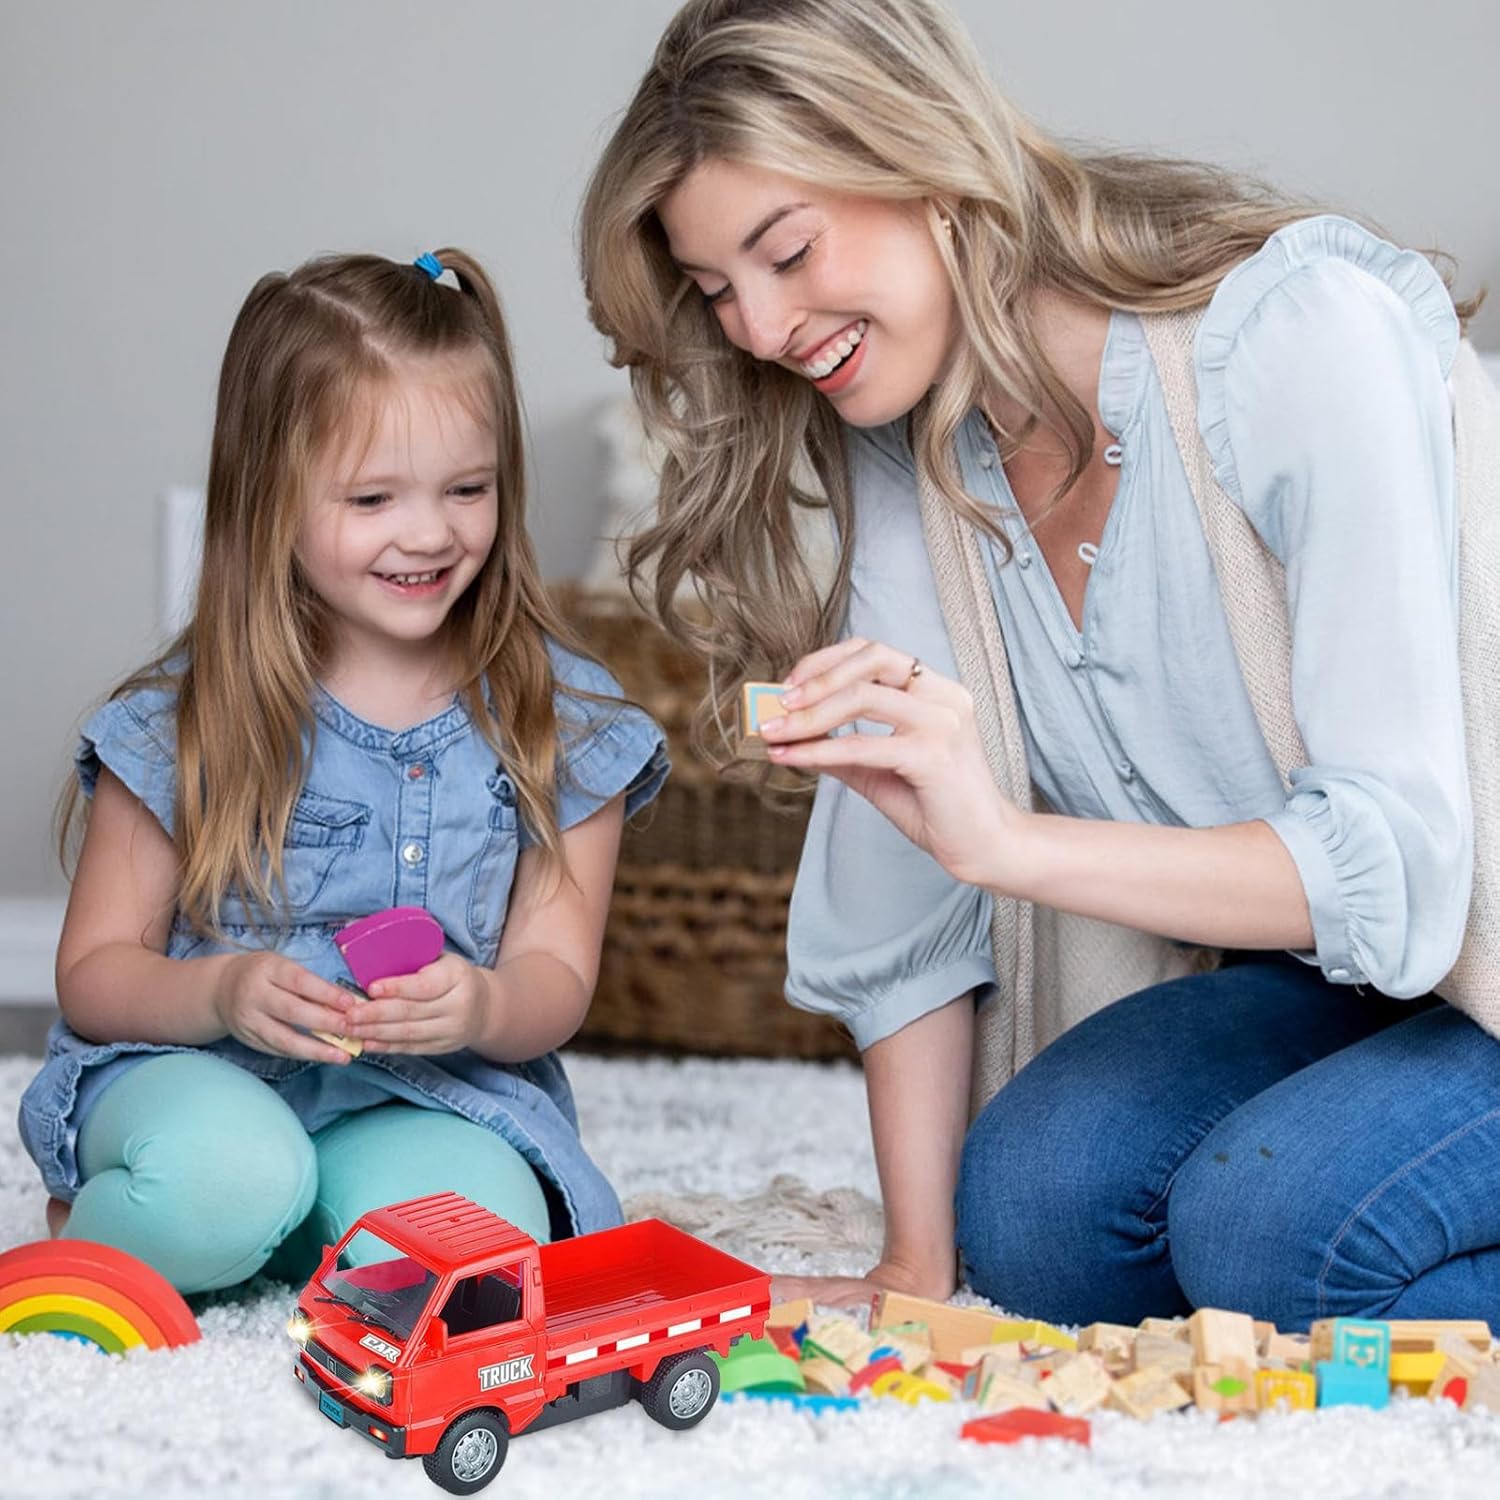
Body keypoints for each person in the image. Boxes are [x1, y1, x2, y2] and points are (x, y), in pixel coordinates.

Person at [579, 0, 1499, 1331]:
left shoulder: (1296, 337)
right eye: (718, 290)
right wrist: (913, 1266)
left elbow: (1400, 871)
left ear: (928, 162)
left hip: (1474, 935)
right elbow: (899, 857)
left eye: (786, 252)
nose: (763, 328)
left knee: (1274, 1238)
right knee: (1032, 1218)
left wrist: (1009, 843)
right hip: (1341, 980)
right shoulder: (906, 437)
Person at [19, 249, 668, 1294]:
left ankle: (274, 1235)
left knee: (487, 1260)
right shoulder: (188, 716)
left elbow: (554, 979)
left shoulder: (562, 719)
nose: (431, 533)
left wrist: (484, 1008)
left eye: (468, 488)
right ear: (270, 498)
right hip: (195, 1074)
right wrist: (220, 991)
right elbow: (95, 976)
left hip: (417, 1094)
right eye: (372, 499)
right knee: (222, 1180)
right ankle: (187, 1215)